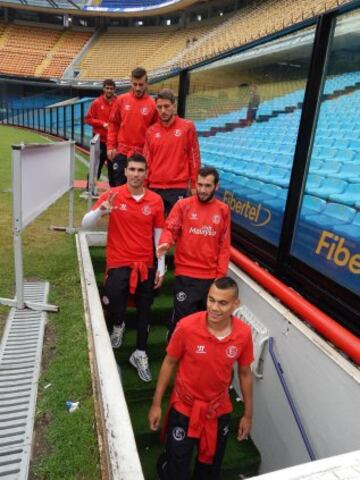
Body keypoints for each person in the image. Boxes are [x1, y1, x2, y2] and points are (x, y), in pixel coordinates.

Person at [148, 277, 254, 480]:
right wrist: (156, 404)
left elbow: (245, 372)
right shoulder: (186, 327)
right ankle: (166, 465)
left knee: (209, 471)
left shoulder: (243, 333)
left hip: (217, 410)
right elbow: (169, 362)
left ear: (235, 304)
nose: (214, 307)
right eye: (211, 300)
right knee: (176, 473)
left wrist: (248, 415)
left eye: (222, 303)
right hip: (184, 408)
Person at [81, 153, 165, 382]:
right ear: (125, 171)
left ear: (146, 173)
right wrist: (101, 211)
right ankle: (118, 324)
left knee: (145, 309)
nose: (136, 174)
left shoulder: (155, 201)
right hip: (118, 261)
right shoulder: (113, 195)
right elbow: (85, 223)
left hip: (145, 264)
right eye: (133, 170)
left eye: (141, 170)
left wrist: (161, 267)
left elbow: (159, 237)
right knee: (114, 298)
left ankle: (140, 352)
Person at [157, 166, 231, 337]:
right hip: (186, 275)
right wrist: (165, 243)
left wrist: (220, 278)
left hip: (210, 278)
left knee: (204, 325)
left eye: (207, 186)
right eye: (200, 185)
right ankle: (175, 348)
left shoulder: (223, 210)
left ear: (216, 187)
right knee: (183, 324)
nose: (203, 190)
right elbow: (170, 229)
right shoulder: (183, 205)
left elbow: (224, 246)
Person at [144, 88, 201, 215]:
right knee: (155, 230)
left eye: (166, 106)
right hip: (155, 187)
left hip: (178, 188)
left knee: (175, 230)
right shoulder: (150, 131)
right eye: (159, 107)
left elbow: (194, 158)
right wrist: (144, 184)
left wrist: (194, 185)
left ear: (174, 106)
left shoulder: (187, 127)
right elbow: (147, 161)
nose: (163, 111)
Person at [107, 67, 157, 187]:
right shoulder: (121, 100)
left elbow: (155, 132)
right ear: (131, 82)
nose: (138, 88)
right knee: (118, 190)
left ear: (147, 84)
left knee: (139, 191)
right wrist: (111, 146)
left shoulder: (153, 104)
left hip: (142, 155)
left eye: (141, 84)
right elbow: (113, 123)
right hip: (122, 153)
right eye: (135, 84)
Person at [84, 78, 116, 183]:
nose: (109, 91)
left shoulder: (118, 102)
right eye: (107, 88)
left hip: (114, 142)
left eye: (111, 88)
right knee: (96, 164)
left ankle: (114, 190)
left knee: (113, 167)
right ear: (103, 89)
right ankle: (90, 187)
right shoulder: (96, 103)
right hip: (100, 141)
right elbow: (87, 119)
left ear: (114, 89)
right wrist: (102, 124)